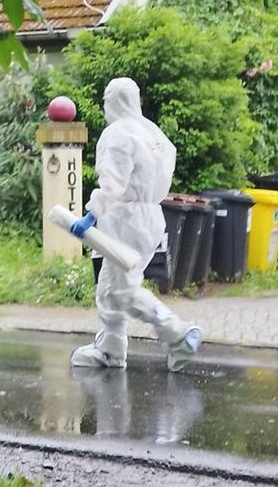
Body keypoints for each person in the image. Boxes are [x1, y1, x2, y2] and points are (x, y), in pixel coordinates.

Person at [48, 76, 203, 372]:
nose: (106, 106)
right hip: (149, 216)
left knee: (121, 290)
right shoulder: (152, 134)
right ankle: (111, 350)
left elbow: (114, 182)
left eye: (107, 100)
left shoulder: (118, 133)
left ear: (113, 101)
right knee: (109, 287)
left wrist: (92, 214)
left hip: (125, 218)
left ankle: (178, 333)